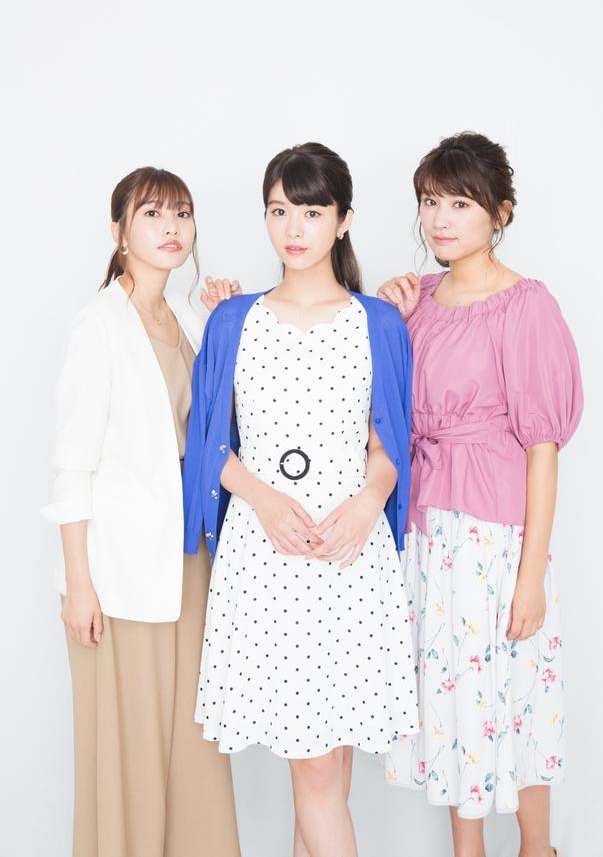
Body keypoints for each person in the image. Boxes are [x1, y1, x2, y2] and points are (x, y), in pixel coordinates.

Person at [182, 142, 418, 857]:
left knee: (329, 769)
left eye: (312, 212)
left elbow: (390, 439)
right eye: (279, 210)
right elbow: (205, 444)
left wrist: (369, 499)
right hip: (269, 558)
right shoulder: (233, 320)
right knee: (315, 770)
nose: (293, 228)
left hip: (350, 556)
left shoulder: (378, 321)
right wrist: (262, 498)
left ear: (343, 220)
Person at [377, 132, 583, 857]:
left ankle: (536, 849)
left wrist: (530, 576)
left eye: (460, 203)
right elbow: (380, 414)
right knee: (450, 705)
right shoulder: (418, 300)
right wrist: (389, 319)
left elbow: (542, 448)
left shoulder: (525, 306)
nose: (440, 218)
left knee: (517, 696)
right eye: (430, 201)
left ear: (499, 213)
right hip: (426, 535)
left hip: (495, 539)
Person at [42, 167, 240, 857]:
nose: (171, 227)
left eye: (181, 213)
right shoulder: (98, 326)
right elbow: (73, 465)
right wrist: (79, 585)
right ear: (119, 232)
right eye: (152, 213)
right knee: (127, 745)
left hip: (190, 562)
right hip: (120, 576)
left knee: (192, 743)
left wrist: (226, 320)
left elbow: (225, 428)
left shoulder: (189, 317)